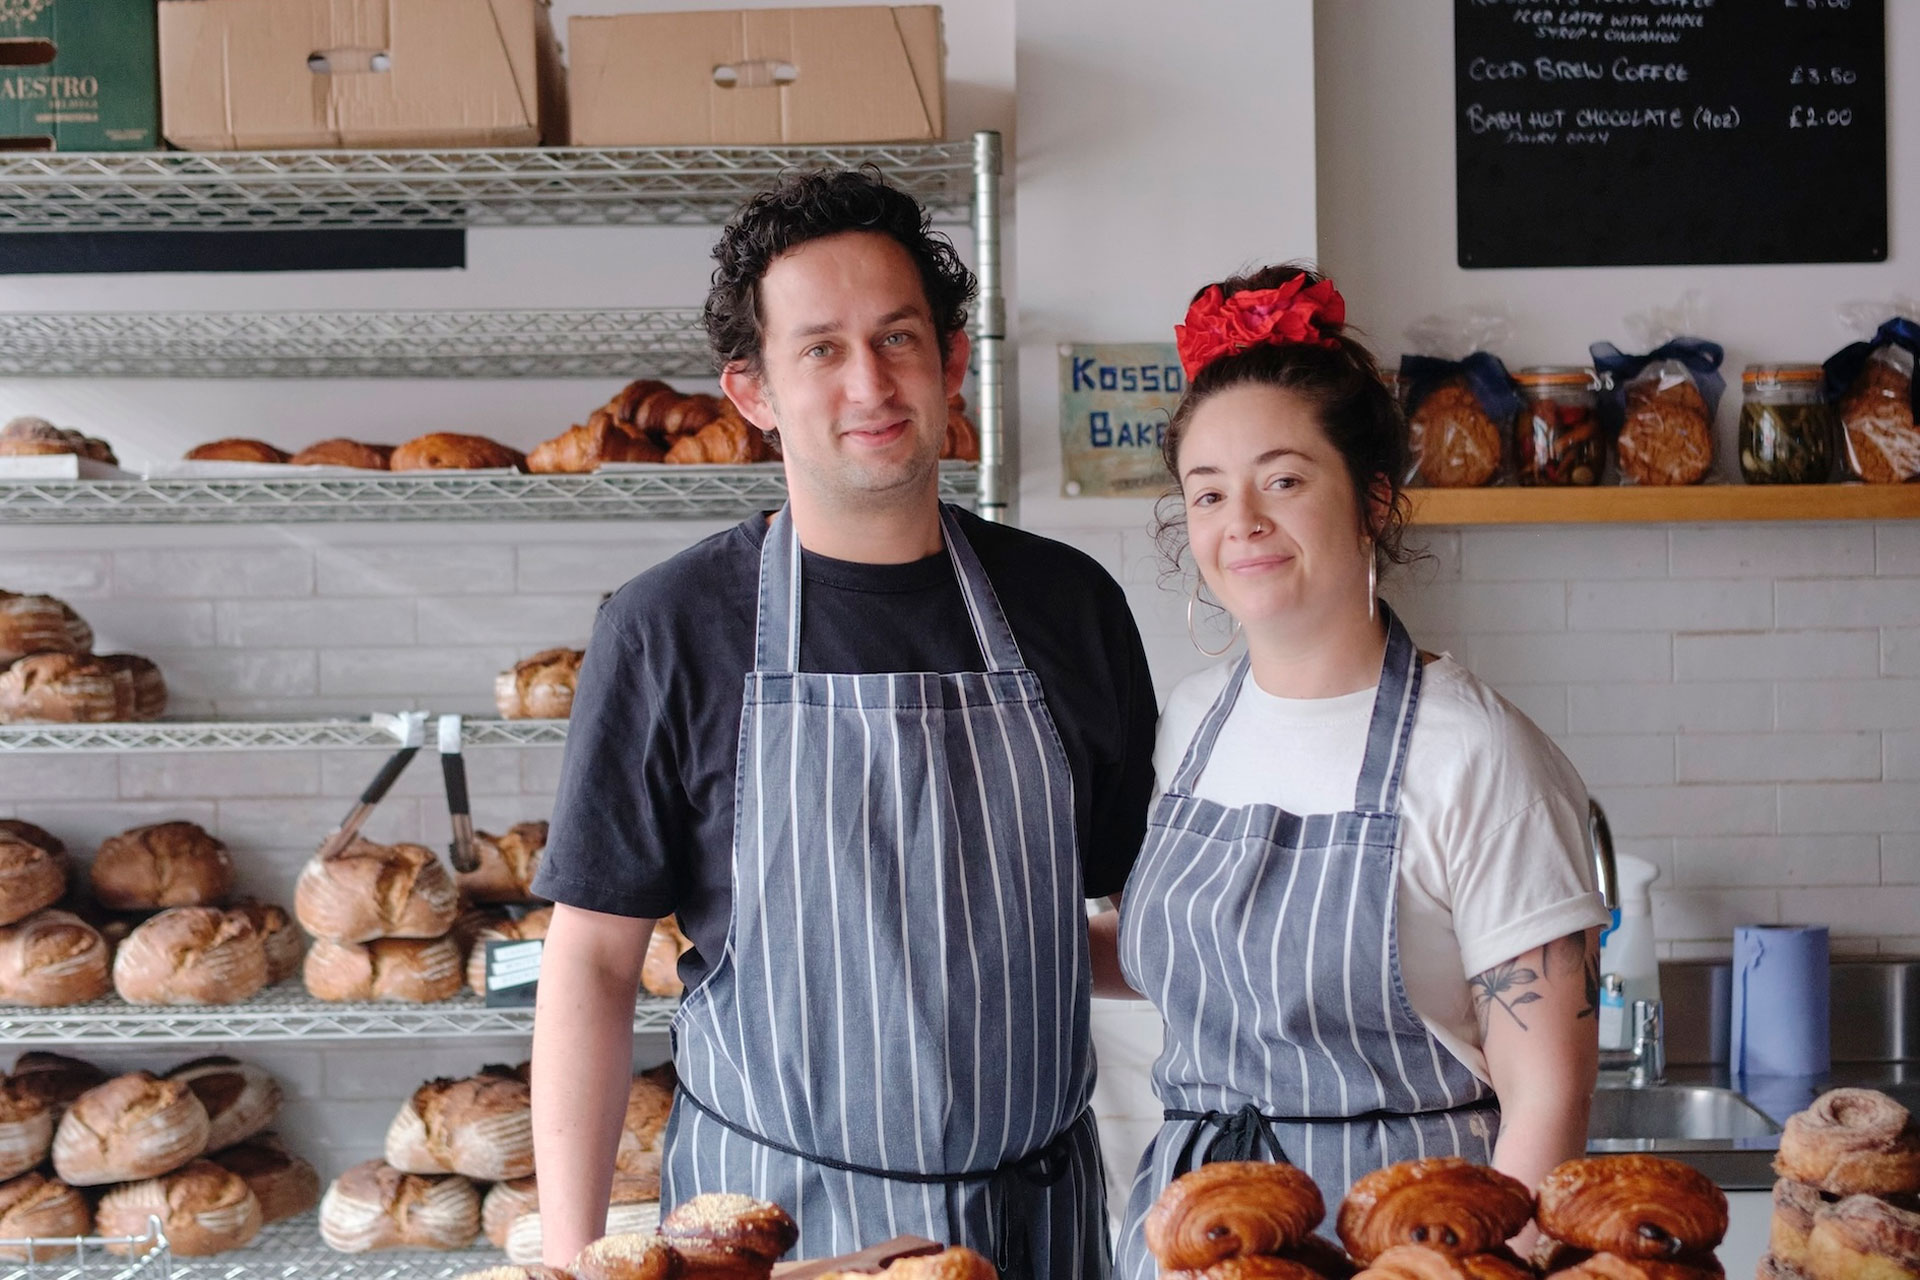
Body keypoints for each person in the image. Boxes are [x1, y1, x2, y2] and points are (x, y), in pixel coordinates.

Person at [527, 167, 1158, 1280]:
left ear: (952, 362)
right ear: (752, 389)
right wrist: (582, 1261)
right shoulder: (667, 628)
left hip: (1037, 1229)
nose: (871, 381)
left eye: (900, 338)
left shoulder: (1070, 605)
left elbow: (1113, 925)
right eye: (820, 347)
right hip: (773, 1231)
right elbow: (593, 962)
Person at [1097, 265, 1607, 1278]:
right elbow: (1188, 960)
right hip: (1192, 1234)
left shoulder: (1477, 753)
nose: (1239, 519)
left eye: (1282, 479)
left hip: (1397, 1242)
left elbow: (1548, 1092)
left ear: (1373, 497)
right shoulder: (1195, 722)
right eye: (1208, 491)